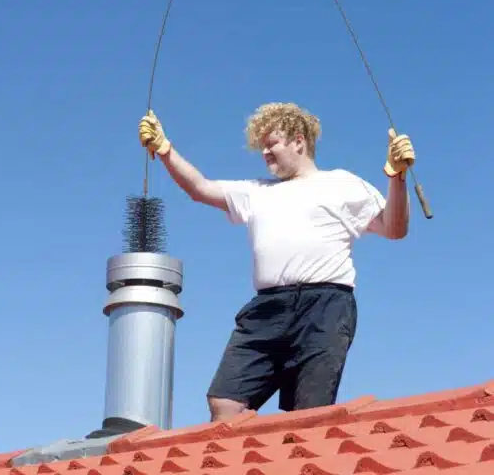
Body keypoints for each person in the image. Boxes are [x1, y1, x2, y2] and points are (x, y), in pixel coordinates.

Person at [137, 102, 416, 420]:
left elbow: (395, 229)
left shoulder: (344, 183)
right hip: (267, 308)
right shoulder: (256, 191)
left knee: (306, 414)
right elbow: (200, 189)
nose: (266, 153)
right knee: (225, 403)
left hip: (325, 308)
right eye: (262, 148)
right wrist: (164, 149)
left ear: (299, 140)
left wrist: (397, 177)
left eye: (272, 145)